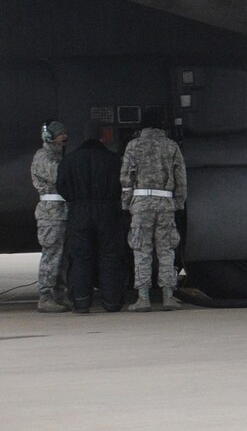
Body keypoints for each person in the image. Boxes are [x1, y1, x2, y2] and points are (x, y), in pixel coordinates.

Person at [58, 122, 127, 313]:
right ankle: (112, 302)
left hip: (79, 210)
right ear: (102, 136)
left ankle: (81, 301)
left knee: (80, 257)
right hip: (108, 211)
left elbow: (61, 186)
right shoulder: (113, 160)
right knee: (110, 256)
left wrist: (76, 199)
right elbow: (123, 184)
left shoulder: (69, 160)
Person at [122, 121, 187, 312]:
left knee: (141, 249)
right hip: (165, 203)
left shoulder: (133, 146)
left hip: (141, 204)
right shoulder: (171, 146)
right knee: (166, 249)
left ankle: (143, 298)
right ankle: (168, 296)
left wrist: (126, 203)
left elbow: (126, 178)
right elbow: (181, 178)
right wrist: (178, 202)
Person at [31, 121, 69, 313]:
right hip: (50, 213)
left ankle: (60, 294)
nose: (64, 138)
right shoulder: (43, 157)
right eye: (61, 134)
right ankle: (45, 296)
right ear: (50, 137)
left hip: (62, 211)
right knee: (52, 255)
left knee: (62, 257)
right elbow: (59, 176)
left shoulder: (58, 156)